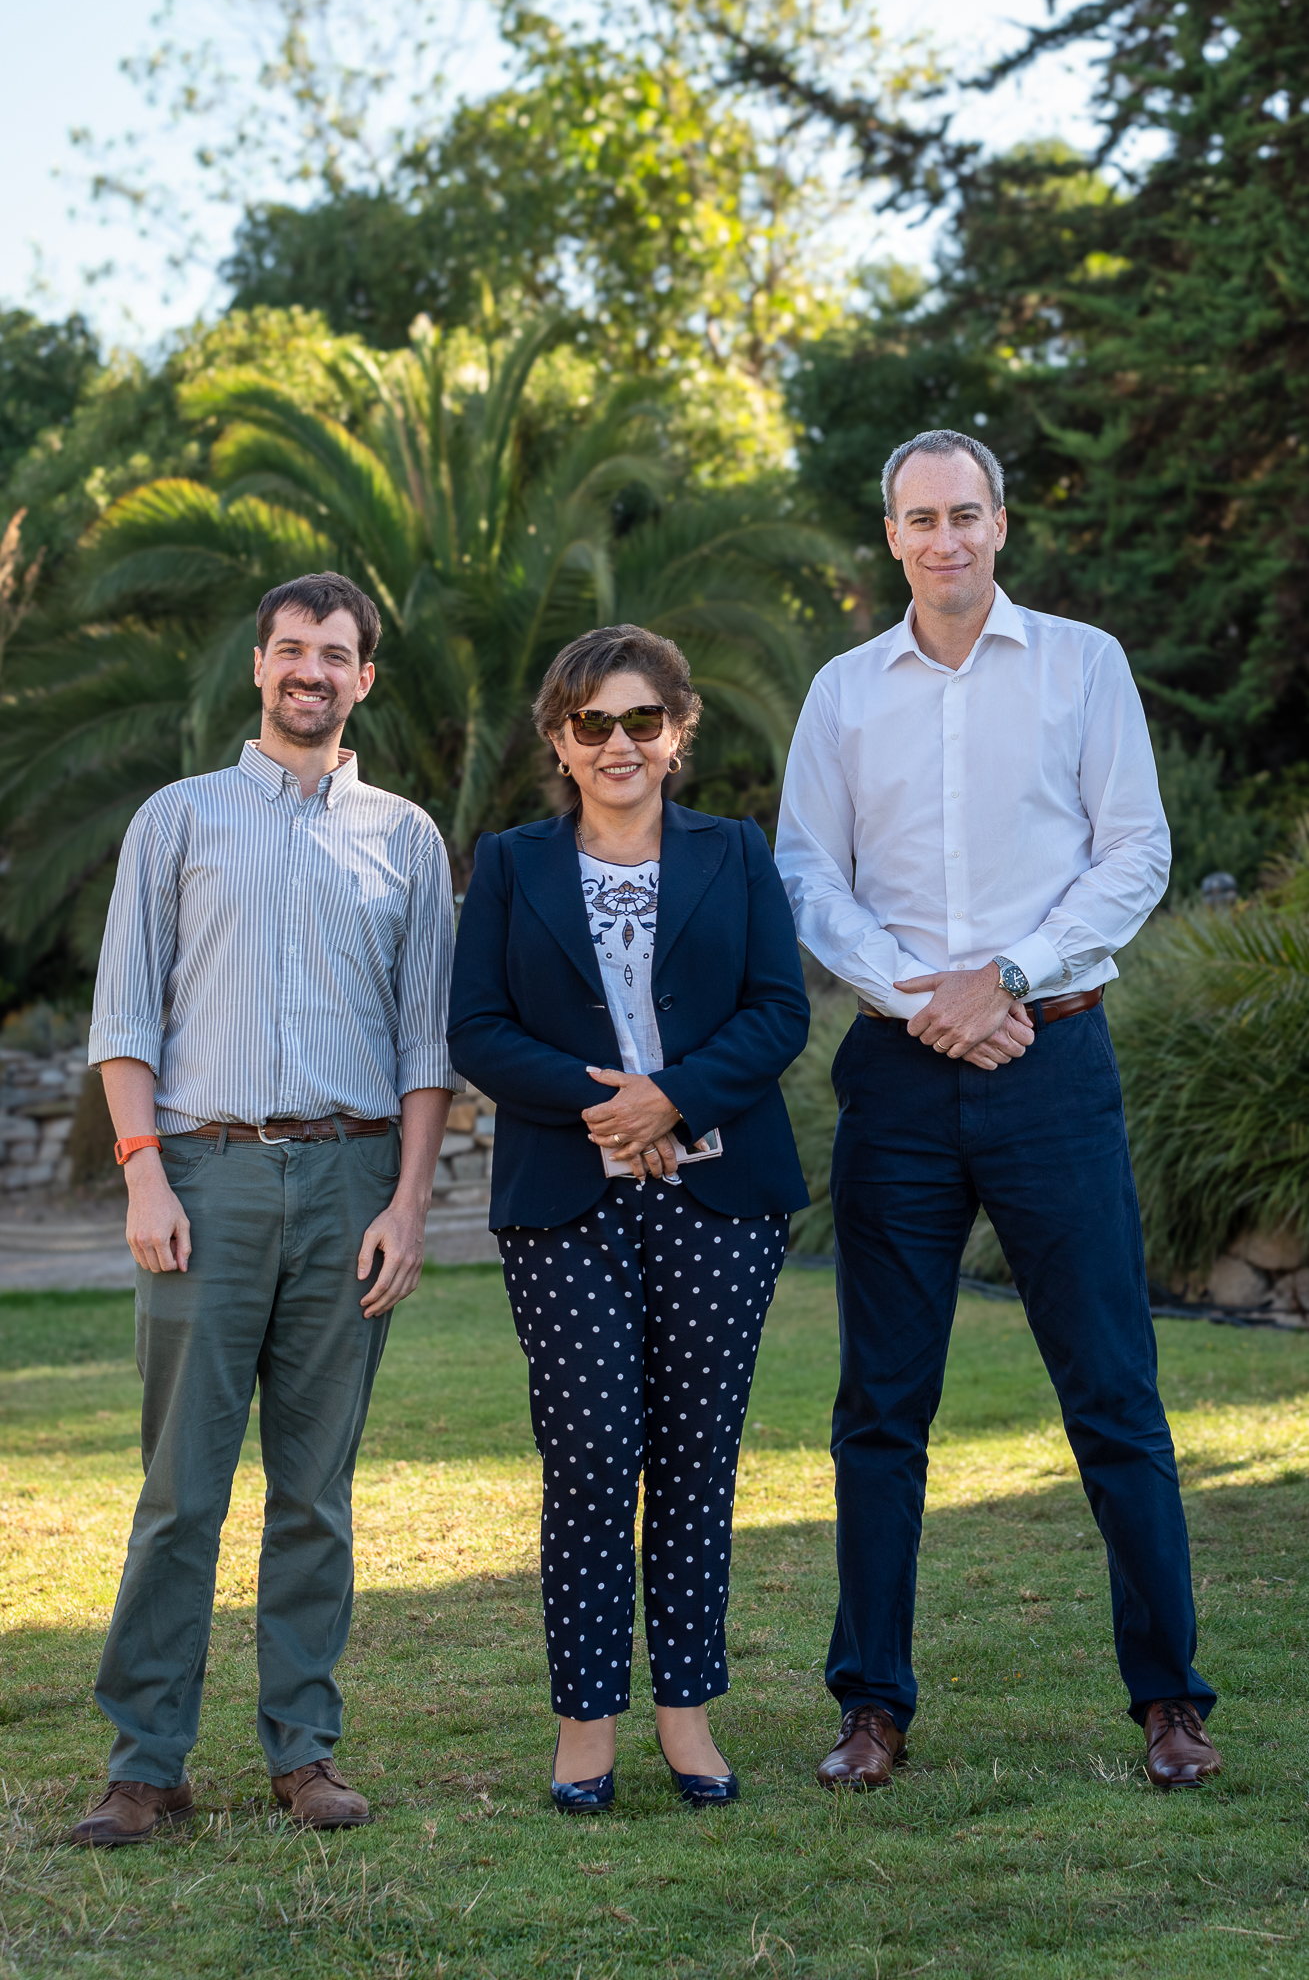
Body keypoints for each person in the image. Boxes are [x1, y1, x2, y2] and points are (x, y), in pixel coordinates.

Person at [775, 429, 1221, 1795]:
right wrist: (926, 999)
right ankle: (871, 1708)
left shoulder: (1083, 666)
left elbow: (1133, 849)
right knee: (879, 1407)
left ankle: (1169, 1704)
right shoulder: (844, 694)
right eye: (921, 519)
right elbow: (806, 871)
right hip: (902, 1075)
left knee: (1114, 1395)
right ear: (892, 535)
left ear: (1001, 524)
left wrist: (1005, 979)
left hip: (1052, 1058)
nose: (945, 539)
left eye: (966, 514)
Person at [70, 571, 459, 1847]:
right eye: (291, 648)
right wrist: (142, 1172)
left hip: (352, 1183)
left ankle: (303, 1750)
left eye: (335, 653)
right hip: (205, 1177)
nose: (311, 670)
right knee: (182, 1487)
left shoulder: (406, 837)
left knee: (316, 1489)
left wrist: (408, 1202)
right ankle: (147, 1762)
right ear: (258, 666)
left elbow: (424, 1046)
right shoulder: (175, 820)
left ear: (363, 677)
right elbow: (125, 1014)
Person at [447, 624, 810, 1813]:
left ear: (678, 730)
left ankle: (689, 1716)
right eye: (592, 722)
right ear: (559, 736)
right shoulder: (509, 862)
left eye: (640, 720)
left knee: (700, 1459)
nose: (618, 742)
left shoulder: (735, 853)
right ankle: (584, 1722)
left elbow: (776, 1010)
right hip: (565, 1203)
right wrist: (611, 1107)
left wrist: (678, 1094)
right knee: (594, 1457)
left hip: (719, 1196)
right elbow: (480, 1029)